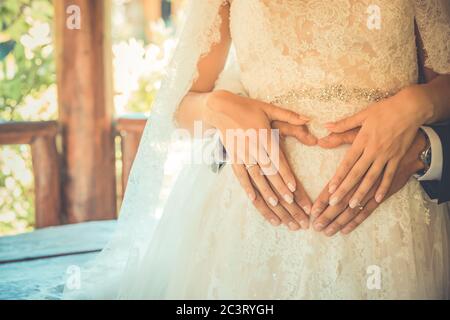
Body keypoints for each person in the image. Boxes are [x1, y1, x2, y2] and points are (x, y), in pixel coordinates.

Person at [64, 0, 450, 299]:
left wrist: (418, 104)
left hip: (392, 219)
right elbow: (180, 103)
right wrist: (217, 106)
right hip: (247, 222)